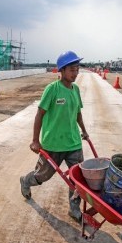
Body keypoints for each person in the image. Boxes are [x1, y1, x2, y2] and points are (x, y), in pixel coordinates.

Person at [20, 50, 89, 223]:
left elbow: (77, 113)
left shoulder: (76, 90)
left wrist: (84, 130)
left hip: (73, 143)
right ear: (63, 70)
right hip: (53, 144)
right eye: (72, 69)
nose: (76, 73)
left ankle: (74, 210)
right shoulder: (52, 89)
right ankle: (26, 181)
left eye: (77, 69)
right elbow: (39, 115)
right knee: (42, 176)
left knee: (78, 180)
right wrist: (35, 140)